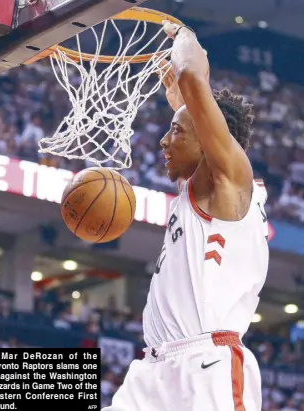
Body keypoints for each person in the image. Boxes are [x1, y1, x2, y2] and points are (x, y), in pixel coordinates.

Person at [102, 20, 269, 411]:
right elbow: (189, 102)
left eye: (175, 131)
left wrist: (185, 39)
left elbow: (193, 76)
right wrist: (178, 97)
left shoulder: (230, 180)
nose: (163, 139)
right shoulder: (196, 189)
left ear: (209, 141)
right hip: (152, 371)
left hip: (206, 364)